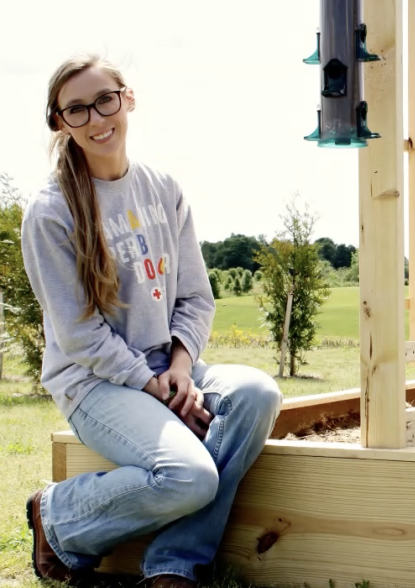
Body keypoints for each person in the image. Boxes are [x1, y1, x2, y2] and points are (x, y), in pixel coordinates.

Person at [21, 53, 283, 588]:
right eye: (77, 110)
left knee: (257, 392)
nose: (96, 119)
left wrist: (182, 369)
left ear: (128, 99)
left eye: (104, 100)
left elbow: (194, 296)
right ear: (59, 122)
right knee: (187, 476)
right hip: (93, 382)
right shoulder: (50, 213)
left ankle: (175, 561)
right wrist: (152, 385)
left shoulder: (164, 188)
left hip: (168, 367)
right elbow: (77, 335)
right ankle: (58, 515)